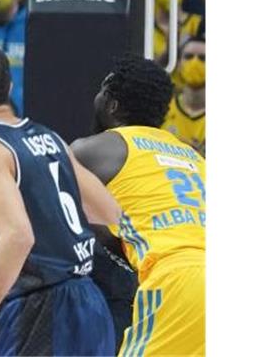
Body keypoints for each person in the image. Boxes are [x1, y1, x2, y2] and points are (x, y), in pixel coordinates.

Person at [0, 44, 120, 357]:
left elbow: (17, 236)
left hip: (41, 306)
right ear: (9, 87)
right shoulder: (50, 138)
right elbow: (109, 211)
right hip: (90, 301)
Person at [70, 55, 206, 357]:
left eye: (102, 90)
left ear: (112, 104)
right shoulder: (193, 156)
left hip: (174, 277)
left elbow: (49, 210)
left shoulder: (96, 148)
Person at [163, 36, 205, 153]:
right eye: (188, 57)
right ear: (178, 64)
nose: (195, 62)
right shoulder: (162, 109)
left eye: (203, 58)